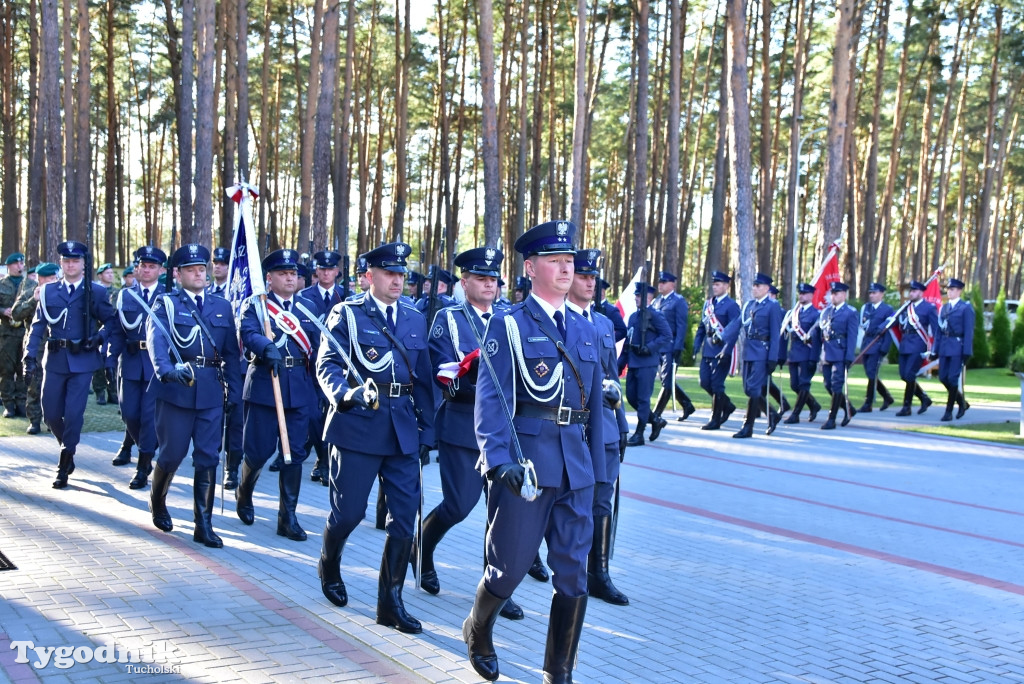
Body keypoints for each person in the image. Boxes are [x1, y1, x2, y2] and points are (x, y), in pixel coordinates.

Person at [463, 220, 603, 683]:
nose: (567, 269)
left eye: (570, 261)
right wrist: (497, 459)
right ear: (531, 268)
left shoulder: (586, 329)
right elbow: (491, 396)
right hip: (526, 467)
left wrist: (600, 473)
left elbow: (594, 406)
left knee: (573, 574)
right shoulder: (509, 324)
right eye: (556, 261)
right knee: (508, 568)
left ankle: (558, 670)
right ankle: (478, 628)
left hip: (577, 467)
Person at [316, 241, 435, 634]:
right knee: (349, 513)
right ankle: (329, 563)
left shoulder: (416, 319)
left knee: (405, 520)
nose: (398, 280)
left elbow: (423, 378)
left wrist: (427, 432)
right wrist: (346, 394)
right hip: (357, 426)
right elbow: (328, 363)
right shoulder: (346, 314)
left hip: (402, 430)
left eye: (402, 274)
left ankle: (390, 602)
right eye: (389, 273)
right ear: (369, 277)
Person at [418, 245, 528, 621]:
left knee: (501, 514)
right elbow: (443, 370)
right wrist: (474, 370)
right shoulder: (448, 318)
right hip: (463, 424)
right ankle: (422, 548)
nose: (489, 285)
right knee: (459, 506)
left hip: (503, 430)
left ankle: (496, 588)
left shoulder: (510, 319)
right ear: (464, 282)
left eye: (493, 279)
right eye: (480, 278)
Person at [147, 244, 242, 547]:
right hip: (177, 389)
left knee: (208, 457)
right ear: (177, 274)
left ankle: (204, 523)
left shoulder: (221, 306)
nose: (199, 273)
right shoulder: (166, 304)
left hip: (211, 391)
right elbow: (157, 339)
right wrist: (165, 371)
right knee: (171, 454)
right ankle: (158, 501)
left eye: (202, 268)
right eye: (191, 269)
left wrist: (234, 392)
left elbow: (230, 353)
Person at [235, 249, 320, 541]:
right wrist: (264, 346)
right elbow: (247, 332)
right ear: (269, 278)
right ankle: (244, 491)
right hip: (264, 386)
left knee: (293, 456)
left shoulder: (307, 307)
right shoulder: (257, 306)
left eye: (293, 273)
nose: (289, 278)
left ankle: (288, 518)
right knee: (258, 452)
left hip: (298, 390)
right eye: (283, 273)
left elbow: (319, 347)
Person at [24, 241, 116, 488]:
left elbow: (111, 322)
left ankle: (64, 462)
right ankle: (68, 446)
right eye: (66, 261)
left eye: (76, 261)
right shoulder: (48, 291)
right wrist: (29, 356)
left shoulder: (95, 292)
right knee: (50, 413)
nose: (71, 264)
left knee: (74, 414)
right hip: (54, 360)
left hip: (83, 361)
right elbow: (37, 327)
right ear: (61, 263)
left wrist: (99, 337)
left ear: (84, 264)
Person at [567, 248, 629, 606]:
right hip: (571, 427)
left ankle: (599, 574)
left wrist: (620, 427)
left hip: (604, 428)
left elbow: (610, 382)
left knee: (602, 501)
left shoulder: (605, 324)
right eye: (584, 277)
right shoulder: (558, 320)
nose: (591, 284)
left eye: (594, 279)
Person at [106, 246, 167, 489]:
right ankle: (144, 449)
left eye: (152, 266)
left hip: (155, 366)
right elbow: (116, 330)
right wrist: (110, 358)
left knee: (148, 417)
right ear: (137, 268)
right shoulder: (125, 295)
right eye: (143, 265)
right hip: (130, 361)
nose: (147, 270)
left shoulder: (169, 295)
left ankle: (143, 465)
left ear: (161, 270)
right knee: (129, 414)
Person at [300, 250, 345, 486]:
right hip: (310, 367)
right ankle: (322, 458)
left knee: (334, 413)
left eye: (330, 269)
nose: (326, 273)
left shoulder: (347, 298)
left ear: (337, 272)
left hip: (338, 368)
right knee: (314, 417)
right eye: (322, 269)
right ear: (316, 271)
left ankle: (327, 463)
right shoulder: (304, 297)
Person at [728, 272, 782, 439]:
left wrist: (773, 357)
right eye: (754, 285)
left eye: (758, 286)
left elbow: (775, 333)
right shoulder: (750, 305)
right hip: (749, 350)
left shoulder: (772, 306)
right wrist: (723, 338)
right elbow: (738, 324)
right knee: (747, 388)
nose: (755, 288)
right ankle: (772, 414)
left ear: (767, 288)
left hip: (762, 351)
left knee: (753, 388)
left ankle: (748, 427)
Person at [620, 282, 671, 446]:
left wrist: (649, 348)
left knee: (643, 399)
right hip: (633, 362)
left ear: (649, 297)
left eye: (639, 295)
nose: (636, 298)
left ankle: (639, 433)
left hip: (647, 363)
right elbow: (629, 340)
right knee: (632, 397)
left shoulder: (655, 315)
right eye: (636, 295)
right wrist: (620, 363)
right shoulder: (634, 317)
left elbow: (666, 335)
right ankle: (655, 420)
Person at [13, 262, 60, 434]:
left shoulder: (60, 293)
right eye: (49, 278)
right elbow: (16, 314)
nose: (53, 280)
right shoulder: (30, 293)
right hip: (35, 347)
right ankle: (34, 420)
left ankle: (52, 419)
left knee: (55, 385)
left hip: (55, 346)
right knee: (34, 384)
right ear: (40, 279)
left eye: (55, 277)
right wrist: (34, 300)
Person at [693, 271, 740, 430]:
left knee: (717, 384)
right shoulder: (708, 304)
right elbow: (702, 326)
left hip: (722, 350)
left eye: (718, 284)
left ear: (726, 286)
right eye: (714, 284)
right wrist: (696, 344)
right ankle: (727, 405)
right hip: (708, 348)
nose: (715, 286)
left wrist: (726, 351)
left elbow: (734, 329)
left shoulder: (732, 306)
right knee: (705, 382)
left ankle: (715, 418)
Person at [650, 271, 697, 426]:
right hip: (659, 347)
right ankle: (687, 405)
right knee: (667, 380)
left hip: (670, 346)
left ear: (672, 284)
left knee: (666, 382)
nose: (660, 285)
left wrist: (678, 347)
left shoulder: (678, 301)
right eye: (660, 282)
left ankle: (656, 414)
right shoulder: (657, 301)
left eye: (664, 282)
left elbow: (682, 326)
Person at [818, 282, 859, 430]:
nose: (833, 296)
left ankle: (831, 418)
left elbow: (852, 336)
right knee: (827, 384)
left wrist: (849, 356)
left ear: (844, 295)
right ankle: (849, 408)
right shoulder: (827, 311)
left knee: (836, 385)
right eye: (832, 293)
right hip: (827, 352)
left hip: (841, 353)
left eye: (836, 293)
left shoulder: (850, 312)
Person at [932, 278, 974, 421]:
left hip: (957, 346)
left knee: (952, 379)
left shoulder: (965, 307)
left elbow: (969, 331)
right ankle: (961, 402)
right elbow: (939, 331)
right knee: (943, 377)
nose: (949, 292)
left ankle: (948, 411)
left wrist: (967, 351)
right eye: (948, 289)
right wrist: (934, 349)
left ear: (959, 291)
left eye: (953, 289)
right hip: (944, 346)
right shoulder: (944, 308)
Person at [783, 283, 824, 424]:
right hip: (794, 353)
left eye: (805, 293)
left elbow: (817, 339)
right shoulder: (794, 313)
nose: (801, 296)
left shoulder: (816, 314)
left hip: (807, 354)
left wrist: (814, 357)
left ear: (811, 295)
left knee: (804, 384)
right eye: (800, 293)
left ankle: (795, 414)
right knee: (794, 385)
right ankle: (813, 404)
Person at [895, 280, 936, 416]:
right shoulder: (906, 307)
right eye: (910, 291)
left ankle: (907, 407)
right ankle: (924, 398)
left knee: (909, 375)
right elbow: (895, 320)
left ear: (920, 292)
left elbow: (935, 329)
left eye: (913, 291)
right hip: (905, 344)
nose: (911, 293)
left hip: (918, 344)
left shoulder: (929, 308)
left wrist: (934, 348)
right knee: (903, 375)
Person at [857, 282, 896, 412]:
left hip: (877, 344)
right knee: (870, 373)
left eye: (874, 293)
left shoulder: (887, 309)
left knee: (872, 373)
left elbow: (890, 327)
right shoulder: (866, 308)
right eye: (870, 293)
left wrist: (884, 348)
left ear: (881, 294)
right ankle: (887, 397)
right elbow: (863, 326)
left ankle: (868, 403)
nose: (871, 295)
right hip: (867, 343)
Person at [0, 252, 28, 418]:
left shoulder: (29, 285)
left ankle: (21, 402)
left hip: (25, 332)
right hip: (7, 333)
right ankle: (8, 404)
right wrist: (4, 310)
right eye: (16, 264)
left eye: (21, 263)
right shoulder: (1, 284)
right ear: (9, 266)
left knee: (23, 368)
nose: (20, 266)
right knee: (6, 369)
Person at [91, 262, 118, 405]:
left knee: (111, 362)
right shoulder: (94, 291)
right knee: (98, 362)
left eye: (112, 273)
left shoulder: (118, 292)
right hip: (97, 333)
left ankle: (113, 392)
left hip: (113, 332)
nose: (110, 275)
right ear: (100, 275)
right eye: (107, 273)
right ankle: (99, 391)